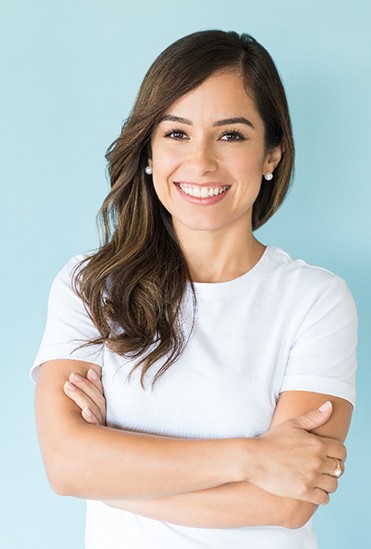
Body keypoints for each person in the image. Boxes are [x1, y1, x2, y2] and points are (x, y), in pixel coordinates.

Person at [32, 30, 357, 549]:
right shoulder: (91, 286)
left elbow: (288, 502)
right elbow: (67, 464)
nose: (201, 162)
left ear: (272, 155)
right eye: (176, 133)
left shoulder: (315, 299)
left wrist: (113, 474)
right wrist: (251, 457)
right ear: (149, 152)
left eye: (231, 135)